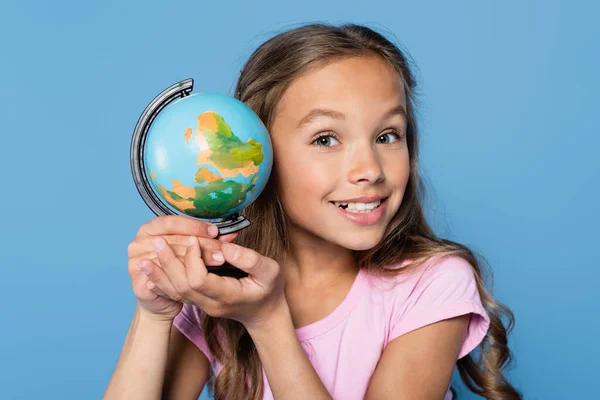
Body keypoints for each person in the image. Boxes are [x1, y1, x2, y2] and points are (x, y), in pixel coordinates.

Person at [104, 23, 521, 400]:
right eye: (325, 139)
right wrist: (154, 315)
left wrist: (268, 321)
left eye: (387, 135)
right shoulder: (218, 289)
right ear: (262, 155)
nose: (370, 171)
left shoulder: (433, 285)